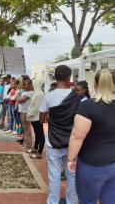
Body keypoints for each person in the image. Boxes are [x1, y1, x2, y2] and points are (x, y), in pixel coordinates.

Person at [67, 69, 115, 204]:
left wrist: (70, 159)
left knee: (87, 201)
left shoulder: (88, 106)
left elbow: (77, 136)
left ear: (95, 84)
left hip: (92, 165)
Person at [39, 65, 79, 204]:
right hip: (72, 143)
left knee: (54, 175)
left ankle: (53, 201)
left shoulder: (48, 96)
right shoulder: (75, 97)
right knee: (72, 175)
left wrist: (51, 119)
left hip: (53, 142)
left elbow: (41, 119)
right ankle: (72, 201)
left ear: (55, 78)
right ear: (69, 78)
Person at [26, 80, 45, 158]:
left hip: (37, 117)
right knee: (37, 134)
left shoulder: (40, 94)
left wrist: (29, 114)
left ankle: (40, 152)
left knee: (41, 135)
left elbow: (37, 107)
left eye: (33, 84)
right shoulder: (35, 93)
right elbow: (31, 105)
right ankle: (35, 148)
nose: (32, 85)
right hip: (33, 117)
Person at [17, 79, 33, 151]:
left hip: (26, 112)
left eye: (25, 84)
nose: (24, 86)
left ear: (30, 85)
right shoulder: (25, 92)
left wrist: (18, 98)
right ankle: (25, 143)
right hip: (22, 111)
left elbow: (20, 100)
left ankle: (28, 145)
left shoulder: (30, 93)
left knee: (27, 129)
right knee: (25, 128)